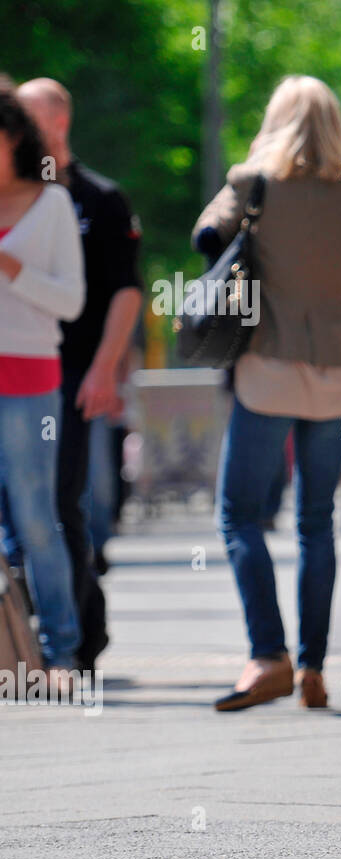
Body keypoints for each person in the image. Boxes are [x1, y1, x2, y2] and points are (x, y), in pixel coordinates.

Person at [193, 76, 341, 711]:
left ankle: (266, 654)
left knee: (239, 515)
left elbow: (206, 240)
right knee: (316, 523)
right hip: (336, 372)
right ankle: (314, 668)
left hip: (268, 367)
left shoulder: (253, 181)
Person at [14, 78, 143, 674]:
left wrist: (103, 372)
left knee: (58, 506)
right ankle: (28, 636)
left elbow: (125, 294)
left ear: (57, 124)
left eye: (28, 121)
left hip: (68, 374)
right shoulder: (15, 194)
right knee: (23, 511)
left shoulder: (99, 198)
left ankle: (78, 637)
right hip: (19, 364)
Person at [0, 86, 86, 680]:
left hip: (30, 379)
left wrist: (12, 269)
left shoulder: (53, 204)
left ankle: (60, 652)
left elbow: (72, 302)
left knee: (35, 519)